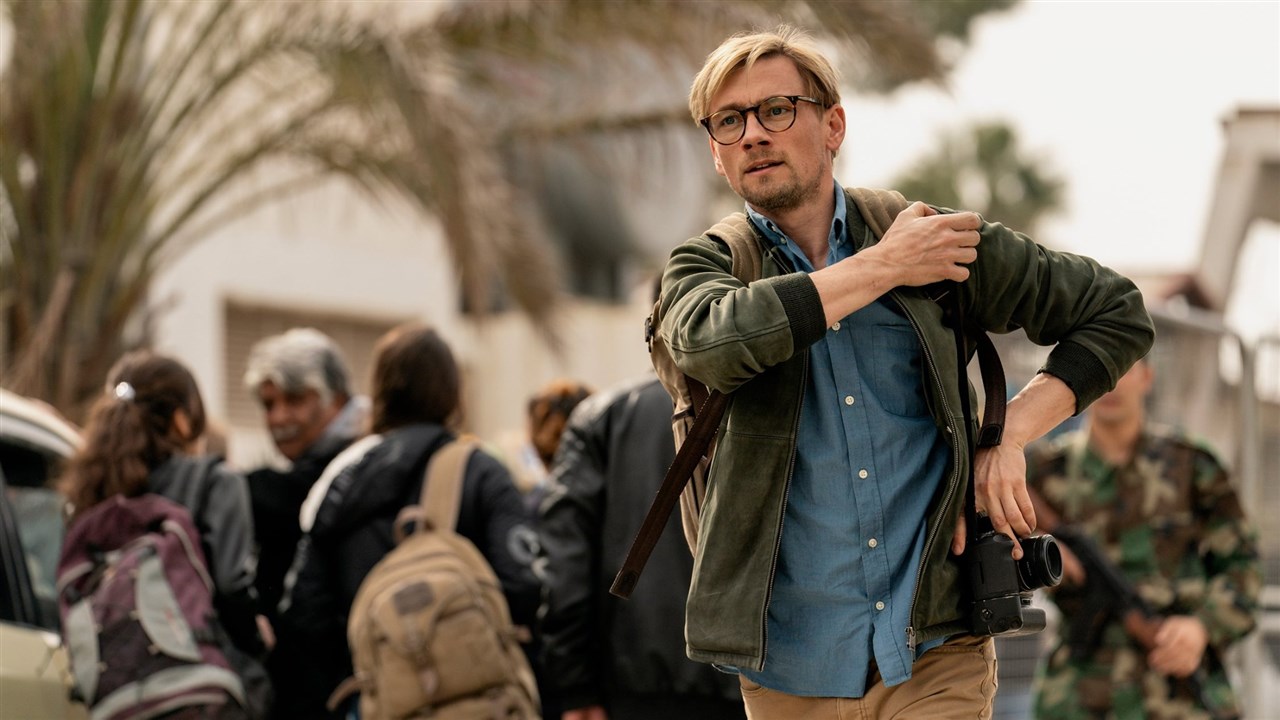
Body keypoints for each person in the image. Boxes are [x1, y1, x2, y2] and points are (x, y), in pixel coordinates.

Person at [660, 25, 1154, 718]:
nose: (753, 135)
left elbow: (1117, 312)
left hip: (935, 649)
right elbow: (714, 343)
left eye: (776, 110)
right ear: (716, 152)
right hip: (786, 667)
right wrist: (886, 266)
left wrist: (1005, 437)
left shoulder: (931, 240)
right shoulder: (707, 266)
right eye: (729, 122)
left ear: (833, 125)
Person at [274, 323, 541, 719]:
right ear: (452, 392)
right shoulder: (481, 470)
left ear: (380, 392)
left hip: (376, 700)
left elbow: (303, 612)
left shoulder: (342, 481)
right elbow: (524, 585)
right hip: (479, 700)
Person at [1026, 357, 1261, 719]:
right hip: (1077, 692)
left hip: (1176, 690)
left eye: (1124, 367)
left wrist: (1202, 627)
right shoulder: (1043, 471)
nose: (1111, 382)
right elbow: (988, 551)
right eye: (1098, 367)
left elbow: (1243, 565)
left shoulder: (1192, 465)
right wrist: (1038, 551)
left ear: (1147, 378)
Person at [59, 351, 268, 717]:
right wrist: (258, 639)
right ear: (181, 421)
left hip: (117, 696)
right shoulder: (215, 483)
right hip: (198, 689)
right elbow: (231, 585)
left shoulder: (89, 497)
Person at [538, 372, 747, 720]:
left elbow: (565, 566)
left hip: (632, 688)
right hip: (754, 682)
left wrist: (576, 688)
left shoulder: (602, 416)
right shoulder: (769, 404)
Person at [241, 328, 366, 625]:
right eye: (269, 405)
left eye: (295, 400)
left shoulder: (365, 460)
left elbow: (295, 495)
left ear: (336, 400)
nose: (278, 418)